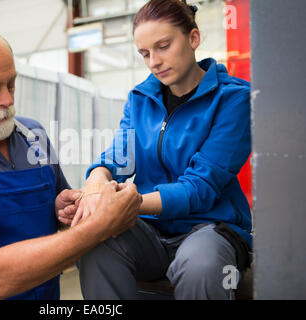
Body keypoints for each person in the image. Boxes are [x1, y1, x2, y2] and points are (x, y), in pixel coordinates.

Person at [0, 27, 142, 300]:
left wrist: (67, 210)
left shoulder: (33, 137)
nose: (7, 99)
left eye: (11, 84)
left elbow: (64, 221)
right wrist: (100, 225)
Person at [72, 0, 252, 300]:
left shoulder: (232, 100)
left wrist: (128, 203)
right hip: (149, 232)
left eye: (163, 46)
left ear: (193, 38)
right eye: (145, 53)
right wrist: (95, 182)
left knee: (201, 266)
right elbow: (119, 155)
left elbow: (201, 188)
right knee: (92, 243)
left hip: (209, 228)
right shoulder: (140, 98)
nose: (153, 61)